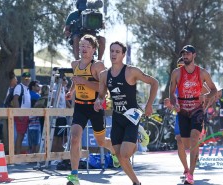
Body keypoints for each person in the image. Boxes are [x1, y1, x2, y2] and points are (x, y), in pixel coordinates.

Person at [94, 41, 159, 185]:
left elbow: (154, 82)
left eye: (117, 52)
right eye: (112, 51)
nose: (114, 54)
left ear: (123, 54)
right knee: (120, 156)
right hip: (117, 118)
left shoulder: (131, 71)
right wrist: (98, 101)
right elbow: (101, 95)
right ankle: (136, 183)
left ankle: (135, 140)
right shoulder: (104, 75)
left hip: (132, 117)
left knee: (124, 154)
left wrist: (149, 105)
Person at [65, 34, 118, 185]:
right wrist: (71, 91)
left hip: (95, 107)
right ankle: (74, 176)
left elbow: (104, 88)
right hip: (80, 106)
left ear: (94, 49)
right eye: (82, 46)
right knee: (75, 138)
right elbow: (76, 80)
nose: (84, 49)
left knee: (101, 142)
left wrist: (84, 82)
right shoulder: (75, 64)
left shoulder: (98, 66)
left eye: (88, 47)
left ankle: (114, 151)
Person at [169, 45, 217, 184]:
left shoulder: (202, 73)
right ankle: (189, 166)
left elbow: (214, 90)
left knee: (195, 137)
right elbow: (171, 93)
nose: (185, 56)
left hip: (197, 109)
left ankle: (190, 175)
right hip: (182, 110)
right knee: (186, 144)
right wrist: (174, 103)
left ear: (194, 55)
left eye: (188, 54)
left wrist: (207, 96)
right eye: (183, 54)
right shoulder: (176, 73)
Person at [164, 57, 211, 178]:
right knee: (179, 141)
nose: (181, 69)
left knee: (193, 140)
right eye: (179, 67)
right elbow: (172, 103)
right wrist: (170, 105)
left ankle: (192, 165)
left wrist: (203, 105)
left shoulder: (195, 80)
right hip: (181, 115)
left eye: (182, 66)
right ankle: (186, 168)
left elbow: (209, 94)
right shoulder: (176, 81)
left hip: (195, 113)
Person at [13, 72, 31, 154]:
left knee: (22, 135)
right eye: (25, 78)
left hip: (26, 114)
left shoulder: (27, 88)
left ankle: (19, 155)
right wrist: (18, 113)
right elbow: (15, 99)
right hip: (21, 114)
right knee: (20, 135)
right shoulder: (19, 87)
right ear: (22, 78)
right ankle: (17, 156)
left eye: (28, 78)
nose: (27, 80)